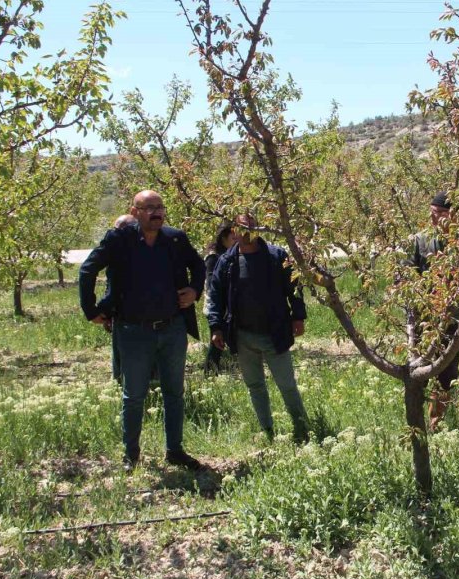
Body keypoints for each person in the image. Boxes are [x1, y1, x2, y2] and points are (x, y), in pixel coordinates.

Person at [79, 190, 206, 471]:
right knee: (134, 395)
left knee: (174, 393)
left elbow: (198, 265)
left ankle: (175, 451)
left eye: (159, 207)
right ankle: (131, 456)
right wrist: (92, 311)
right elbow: (87, 270)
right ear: (134, 212)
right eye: (149, 208)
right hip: (133, 331)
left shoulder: (175, 238)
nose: (156, 212)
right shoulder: (119, 239)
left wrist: (195, 290)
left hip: (172, 329)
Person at [207, 213, 310, 443]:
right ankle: (268, 432)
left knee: (287, 385)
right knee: (255, 385)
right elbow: (216, 296)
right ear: (232, 230)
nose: (246, 231)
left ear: (260, 227)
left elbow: (294, 287)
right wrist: (216, 327)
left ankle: (302, 429)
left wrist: (298, 316)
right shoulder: (227, 262)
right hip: (242, 336)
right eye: (241, 227)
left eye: (251, 226)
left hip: (275, 332)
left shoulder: (276, 256)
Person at [404, 191, 459, 431]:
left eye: (440, 214)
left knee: (447, 371)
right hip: (423, 318)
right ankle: (416, 424)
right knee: (418, 369)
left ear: (453, 216)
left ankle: (436, 422)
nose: (435, 219)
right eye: (433, 213)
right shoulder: (419, 240)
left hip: (453, 318)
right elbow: (406, 275)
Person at [104, 214, 138, 381]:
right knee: (120, 358)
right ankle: (120, 384)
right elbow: (110, 284)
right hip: (120, 316)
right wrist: (107, 312)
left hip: (145, 318)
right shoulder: (115, 252)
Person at [203, 221, 235, 374]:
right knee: (216, 340)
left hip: (228, 304)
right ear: (223, 237)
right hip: (217, 305)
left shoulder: (231, 254)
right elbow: (211, 284)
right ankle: (210, 371)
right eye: (233, 238)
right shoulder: (214, 257)